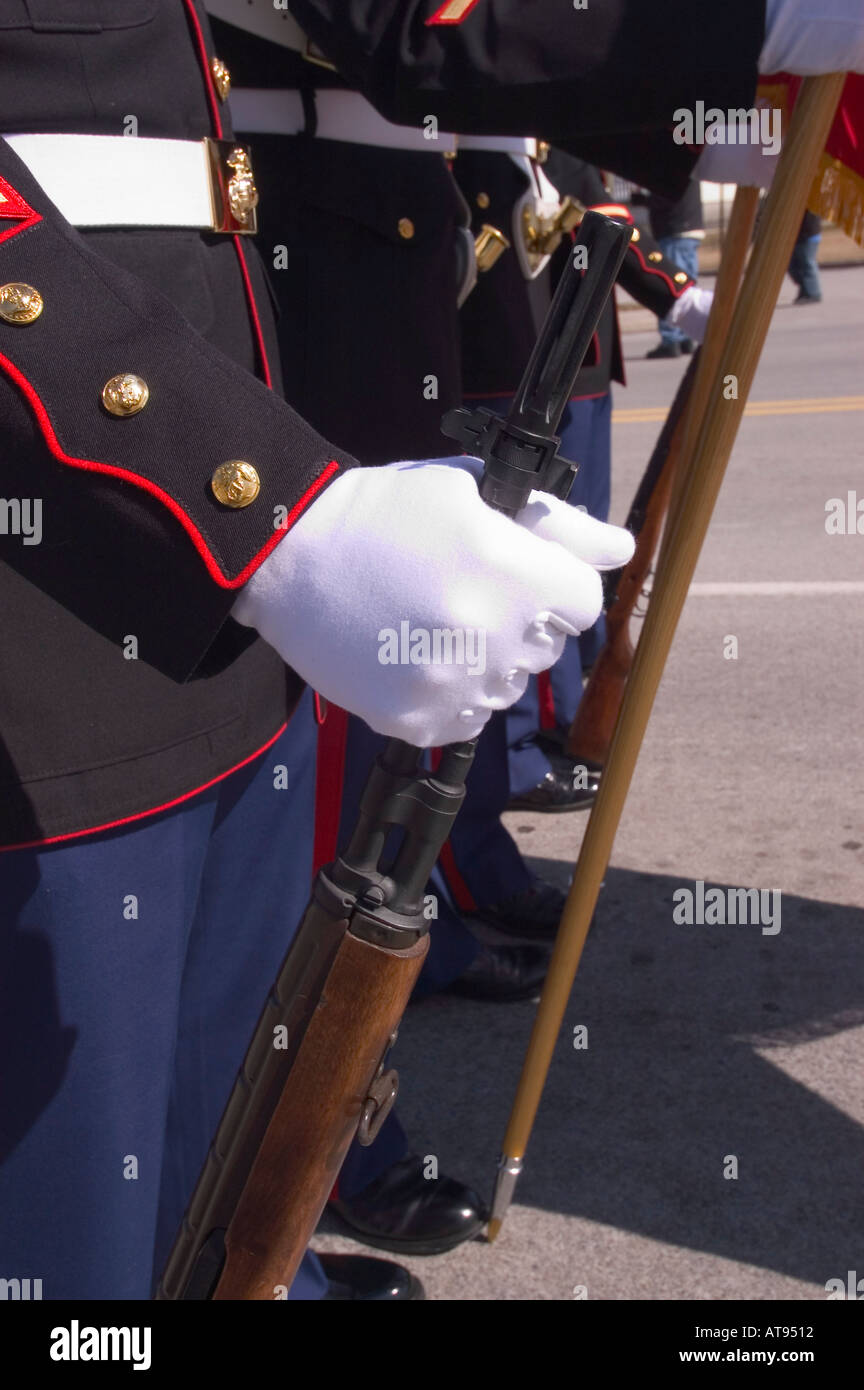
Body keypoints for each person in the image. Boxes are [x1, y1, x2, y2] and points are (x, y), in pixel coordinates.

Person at [0, 0, 631, 1302]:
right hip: (55, 560)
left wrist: (716, 45)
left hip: (209, 524)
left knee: (211, 1175)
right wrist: (265, 507)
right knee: (74, 1243)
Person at [645, 179, 705, 359]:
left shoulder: (669, 167)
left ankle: (671, 339)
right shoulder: (687, 163)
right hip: (690, 225)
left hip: (675, 227)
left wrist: (644, 200)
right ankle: (686, 335)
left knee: (670, 284)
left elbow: (665, 196)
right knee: (686, 283)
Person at [788, 209, 823, 303]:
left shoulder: (810, 201)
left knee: (807, 263)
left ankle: (813, 293)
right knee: (793, 266)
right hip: (798, 236)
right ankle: (805, 290)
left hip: (809, 235)